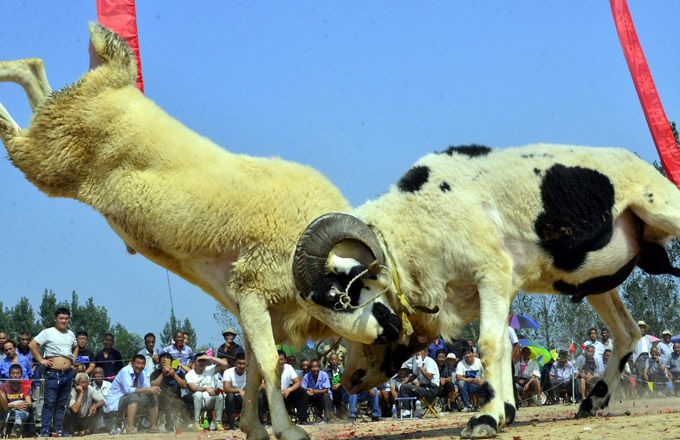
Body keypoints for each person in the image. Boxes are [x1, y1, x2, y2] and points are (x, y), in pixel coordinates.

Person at [29, 307, 78, 437]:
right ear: (55, 319)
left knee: (62, 403)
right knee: (49, 402)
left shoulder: (71, 334)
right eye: (61, 318)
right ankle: (45, 430)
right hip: (53, 372)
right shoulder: (48, 332)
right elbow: (32, 344)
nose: (64, 321)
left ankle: (58, 430)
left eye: (66, 318)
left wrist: (73, 361)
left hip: (68, 373)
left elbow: (76, 347)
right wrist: (41, 360)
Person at [104, 355, 160, 434]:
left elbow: (147, 388)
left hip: (132, 401)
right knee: (133, 396)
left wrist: (153, 390)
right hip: (116, 402)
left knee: (152, 396)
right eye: (138, 363)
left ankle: (153, 426)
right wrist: (148, 389)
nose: (140, 366)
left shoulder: (142, 373)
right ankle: (130, 427)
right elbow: (129, 391)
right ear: (132, 363)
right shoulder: (125, 371)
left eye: (142, 364)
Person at [258, 350, 307, 425]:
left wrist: (288, 390)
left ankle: (303, 419)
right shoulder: (268, 368)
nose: (279, 362)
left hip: (285, 396)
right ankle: (262, 419)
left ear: (285, 360)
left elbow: (298, 383)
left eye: (281, 359)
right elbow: (261, 385)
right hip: (272, 397)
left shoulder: (289, 367)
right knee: (261, 394)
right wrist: (277, 391)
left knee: (301, 391)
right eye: (277, 359)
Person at [185, 353, 227, 431]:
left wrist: (210, 357)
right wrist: (206, 388)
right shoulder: (189, 374)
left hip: (211, 400)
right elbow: (193, 388)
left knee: (220, 395)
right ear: (194, 362)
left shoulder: (209, 369)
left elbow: (225, 364)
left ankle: (218, 423)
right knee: (198, 394)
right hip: (198, 401)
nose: (201, 363)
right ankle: (197, 423)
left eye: (203, 361)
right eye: (199, 361)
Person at [0, 364, 34, 438]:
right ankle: (14, 430)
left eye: (17, 373)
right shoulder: (3, 386)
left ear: (21, 374)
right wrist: (15, 405)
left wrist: (24, 405)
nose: (15, 375)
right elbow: (4, 406)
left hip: (22, 410)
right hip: (8, 410)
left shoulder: (25, 385)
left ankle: (16, 430)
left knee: (21, 412)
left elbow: (29, 402)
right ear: (9, 375)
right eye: (13, 373)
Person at [456, 347, 487, 411]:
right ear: (463, 355)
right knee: (460, 383)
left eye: (469, 353)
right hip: (469, 387)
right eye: (465, 354)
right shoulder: (460, 364)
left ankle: (488, 404)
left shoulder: (480, 362)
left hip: (480, 385)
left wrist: (483, 380)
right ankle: (467, 406)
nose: (468, 355)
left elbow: (488, 373)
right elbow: (458, 377)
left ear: (473, 353)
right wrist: (470, 380)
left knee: (491, 382)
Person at [223, 353, 247, 430]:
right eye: (239, 363)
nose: (242, 366)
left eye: (244, 364)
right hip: (231, 399)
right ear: (235, 363)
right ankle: (231, 424)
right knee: (230, 396)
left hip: (243, 398)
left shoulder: (249, 372)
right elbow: (226, 389)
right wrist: (239, 390)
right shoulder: (228, 372)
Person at [325, 353, 345, 418]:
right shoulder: (325, 371)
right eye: (332, 360)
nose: (334, 361)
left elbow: (345, 381)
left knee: (343, 389)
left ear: (338, 361)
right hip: (329, 390)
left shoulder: (341, 371)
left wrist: (339, 384)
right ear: (329, 361)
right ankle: (331, 414)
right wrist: (331, 386)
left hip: (339, 391)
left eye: (335, 359)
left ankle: (342, 411)